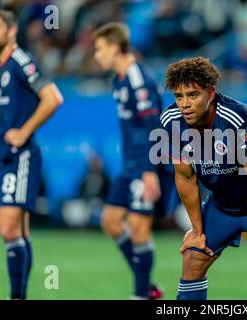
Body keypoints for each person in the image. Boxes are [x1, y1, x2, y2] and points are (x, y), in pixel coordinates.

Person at [159, 56, 247, 300]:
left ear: (211, 93)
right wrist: (196, 229)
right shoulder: (170, 123)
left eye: (193, 95)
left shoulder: (237, 120)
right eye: (179, 97)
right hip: (224, 201)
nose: (185, 104)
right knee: (193, 256)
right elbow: (185, 177)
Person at [0, 8, 63, 299]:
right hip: (0, 157)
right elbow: (11, 114)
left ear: (11, 31)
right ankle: (20, 295)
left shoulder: (20, 60)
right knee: (19, 232)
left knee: (7, 227)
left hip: (20, 157)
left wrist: (24, 131)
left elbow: (53, 97)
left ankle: (16, 296)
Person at [93, 22, 163, 300]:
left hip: (146, 165)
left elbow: (154, 128)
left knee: (138, 228)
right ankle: (146, 284)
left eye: (99, 49)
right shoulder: (118, 79)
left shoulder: (138, 79)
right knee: (110, 221)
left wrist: (149, 172)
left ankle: (141, 294)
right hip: (130, 166)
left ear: (114, 48)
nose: (96, 55)